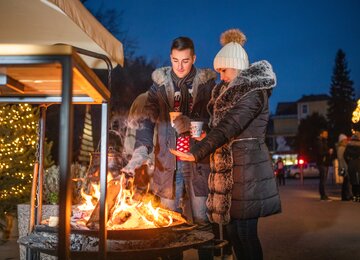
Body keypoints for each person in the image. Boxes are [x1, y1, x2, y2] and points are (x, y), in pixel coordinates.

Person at [171, 28, 281, 260]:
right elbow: (220, 128)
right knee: (233, 232)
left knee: (245, 233)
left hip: (248, 170)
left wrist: (199, 151)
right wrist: (204, 135)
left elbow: (230, 125)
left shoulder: (253, 93)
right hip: (231, 173)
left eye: (224, 70)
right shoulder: (226, 94)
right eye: (219, 71)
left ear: (238, 66)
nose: (221, 76)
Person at [122, 36, 216, 259]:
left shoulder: (207, 87)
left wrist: (200, 128)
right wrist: (136, 160)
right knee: (169, 226)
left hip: (198, 164)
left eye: (185, 61)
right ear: (170, 58)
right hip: (167, 167)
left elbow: (217, 125)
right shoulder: (158, 89)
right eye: (175, 61)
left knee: (203, 224)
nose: (180, 67)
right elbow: (145, 128)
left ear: (194, 58)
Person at [315, 129, 332, 201]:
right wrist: (328, 152)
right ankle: (323, 195)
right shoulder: (319, 142)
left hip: (324, 163)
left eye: (327, 134)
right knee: (323, 180)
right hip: (322, 163)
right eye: (325, 134)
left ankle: (323, 195)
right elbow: (320, 153)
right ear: (321, 134)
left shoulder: (324, 141)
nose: (326, 135)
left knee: (323, 180)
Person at [344, 131, 360, 202]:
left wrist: (349, 162)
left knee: (353, 181)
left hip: (351, 163)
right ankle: (359, 196)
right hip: (359, 163)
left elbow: (345, 155)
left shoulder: (349, 145)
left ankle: (354, 196)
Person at [336, 133, 353, 201]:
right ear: (342, 141)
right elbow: (341, 159)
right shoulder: (341, 148)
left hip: (343, 167)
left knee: (346, 181)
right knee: (346, 181)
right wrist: (345, 168)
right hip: (344, 167)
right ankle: (345, 196)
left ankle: (345, 196)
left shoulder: (342, 148)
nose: (346, 141)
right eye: (345, 140)